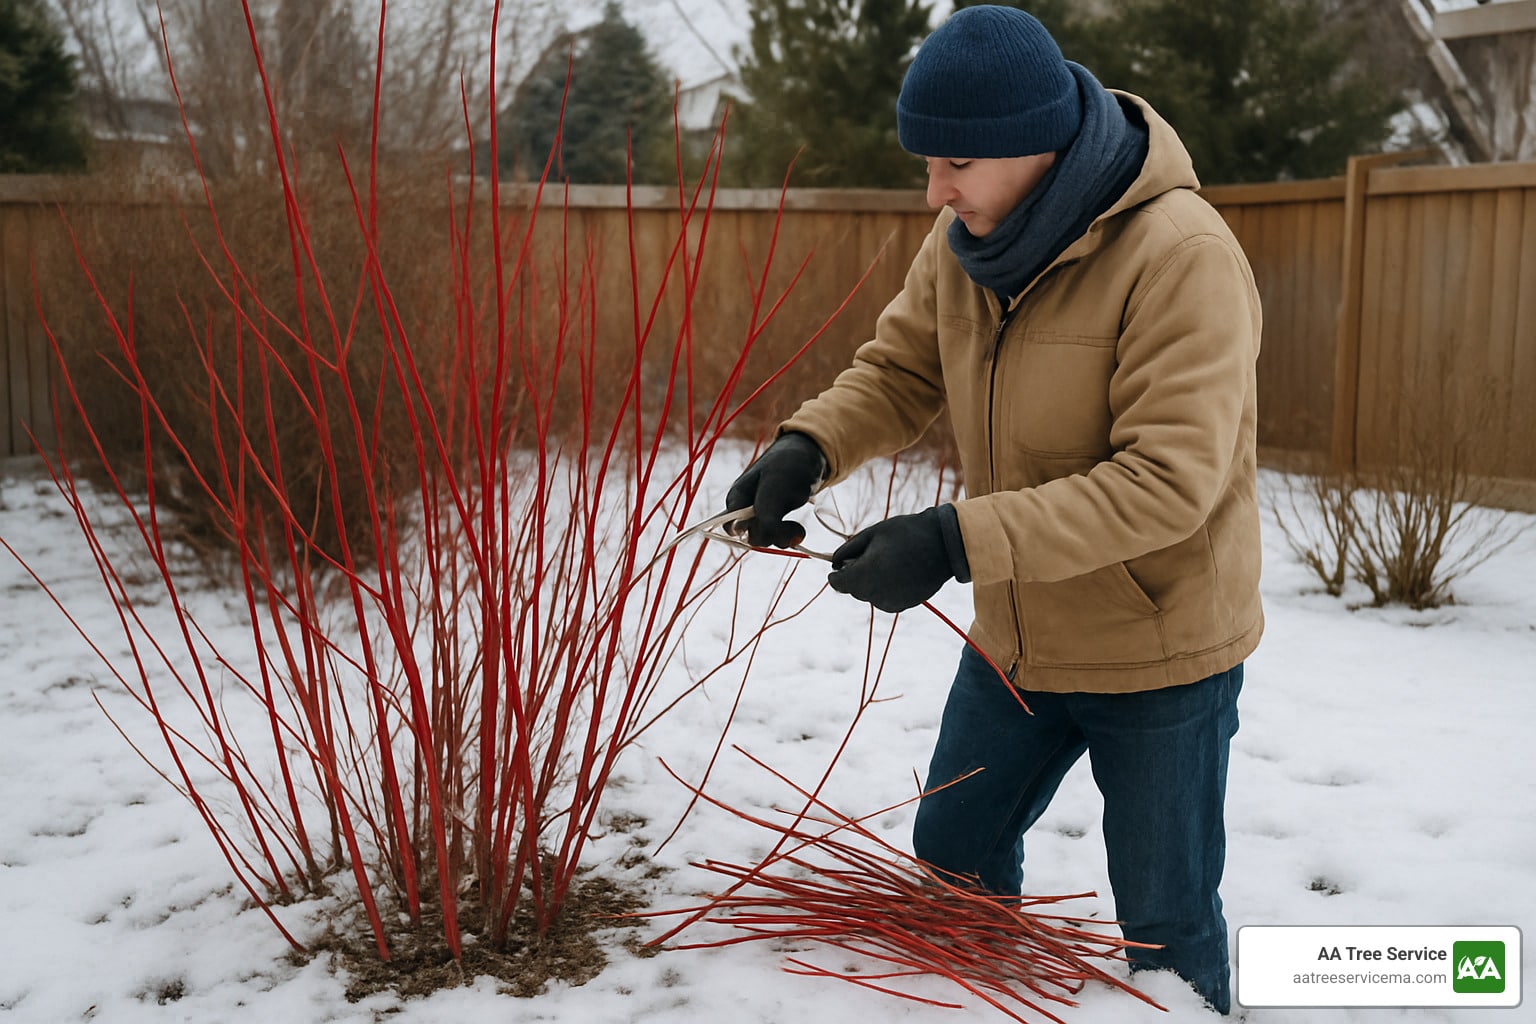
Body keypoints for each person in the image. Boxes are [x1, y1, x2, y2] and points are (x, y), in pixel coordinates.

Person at [722, 4, 1262, 1016]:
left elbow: (1168, 483)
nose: (934, 189)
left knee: (1166, 925)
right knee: (956, 853)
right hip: (1020, 633)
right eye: (929, 165)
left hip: (1156, 643)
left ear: (1035, 145)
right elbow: (900, 368)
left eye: (953, 165)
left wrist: (951, 538)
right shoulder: (970, 239)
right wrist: (811, 446)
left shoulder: (1179, 256)